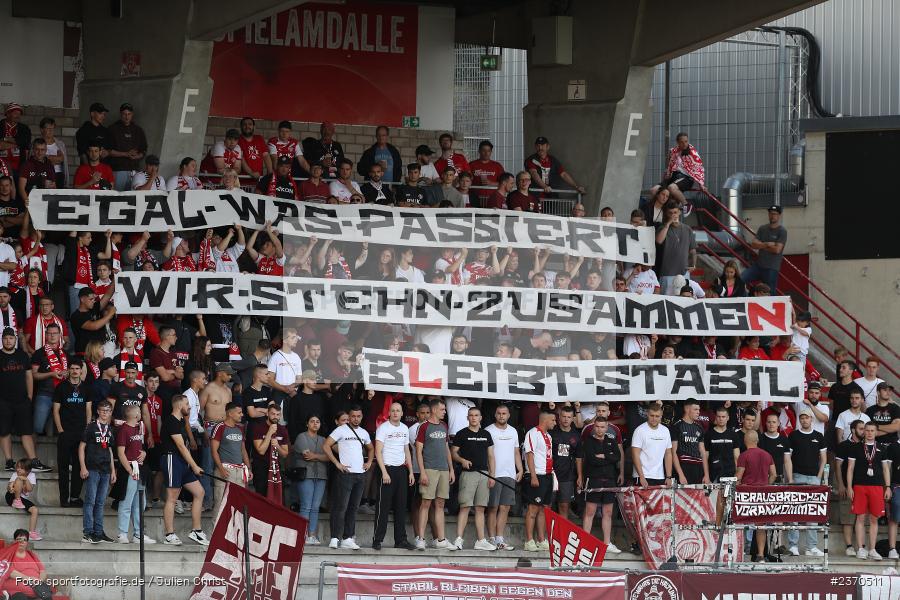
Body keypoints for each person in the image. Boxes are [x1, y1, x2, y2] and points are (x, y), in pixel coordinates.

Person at [160, 394, 209, 546]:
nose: (189, 407)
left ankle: (196, 530)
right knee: (172, 497)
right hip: (171, 459)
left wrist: (190, 465)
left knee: (199, 492)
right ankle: (169, 534)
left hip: (182, 462)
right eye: (187, 404)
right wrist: (194, 465)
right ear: (179, 405)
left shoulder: (181, 421)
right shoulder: (172, 422)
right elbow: (181, 446)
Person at [324, 405, 373, 550]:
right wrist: (337, 463)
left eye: (358, 416)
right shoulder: (341, 429)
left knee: (353, 508)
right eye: (353, 416)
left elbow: (371, 448)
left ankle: (347, 537)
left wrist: (369, 462)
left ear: (361, 417)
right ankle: (334, 537)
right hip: (345, 474)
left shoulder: (364, 432)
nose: (356, 419)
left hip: (360, 475)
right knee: (341, 507)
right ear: (349, 416)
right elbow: (326, 445)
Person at [451, 406, 496, 551]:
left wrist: (492, 475)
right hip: (468, 474)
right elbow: (453, 453)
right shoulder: (461, 433)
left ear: (481, 417)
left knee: (480, 508)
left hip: (484, 474)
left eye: (476, 415)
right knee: (465, 506)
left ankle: (481, 540)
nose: (474, 418)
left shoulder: (486, 434)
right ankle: (458, 539)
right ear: (467, 417)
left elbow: (491, 456)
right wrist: (462, 460)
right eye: (471, 415)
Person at [373, 402, 415, 551]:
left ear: (402, 413)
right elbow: (378, 452)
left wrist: (410, 471)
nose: (396, 413)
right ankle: (377, 540)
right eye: (393, 411)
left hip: (401, 470)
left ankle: (401, 540)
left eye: (398, 410)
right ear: (389, 413)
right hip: (387, 469)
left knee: (401, 507)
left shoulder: (404, 428)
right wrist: (384, 472)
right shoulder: (383, 428)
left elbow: (407, 451)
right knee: (383, 507)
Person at [785, 407, 827, 556]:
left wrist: (819, 476)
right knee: (795, 512)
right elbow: (787, 458)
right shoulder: (793, 436)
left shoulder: (819, 436)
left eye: (807, 417)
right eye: (802, 418)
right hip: (797, 477)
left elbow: (823, 458)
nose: (804, 420)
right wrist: (790, 479)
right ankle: (793, 545)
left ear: (812, 419)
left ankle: (811, 547)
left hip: (813, 478)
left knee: (812, 513)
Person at [846, 422, 892, 560]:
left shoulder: (882, 448)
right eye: (867, 430)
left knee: (874, 518)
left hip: (877, 486)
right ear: (863, 432)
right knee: (860, 517)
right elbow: (850, 468)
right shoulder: (856, 447)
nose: (870, 433)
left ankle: (872, 549)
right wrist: (849, 487)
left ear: (876, 432)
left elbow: (885, 469)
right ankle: (860, 548)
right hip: (859, 485)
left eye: (872, 430)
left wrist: (888, 487)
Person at [415, 398, 455, 550]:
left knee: (440, 504)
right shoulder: (423, 427)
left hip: (443, 469)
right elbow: (418, 451)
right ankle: (421, 538)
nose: (444, 412)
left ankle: (441, 539)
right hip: (430, 469)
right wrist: (423, 472)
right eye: (442, 409)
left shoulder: (444, 426)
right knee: (425, 503)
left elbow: (446, 449)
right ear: (434, 410)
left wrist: (451, 469)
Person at [576, 417, 621, 552]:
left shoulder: (611, 441)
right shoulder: (588, 442)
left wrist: (603, 456)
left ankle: (607, 543)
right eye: (597, 426)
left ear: (607, 428)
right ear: (593, 427)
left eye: (602, 427)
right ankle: (585, 542)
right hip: (593, 479)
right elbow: (592, 460)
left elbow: (617, 457)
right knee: (590, 511)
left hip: (609, 480)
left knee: (608, 512)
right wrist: (608, 457)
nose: (599, 429)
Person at [0, 328, 41, 472]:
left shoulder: (22, 355)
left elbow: (29, 376)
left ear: (15, 339)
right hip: (3, 401)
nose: (8, 341)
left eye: (11, 338)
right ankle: (9, 461)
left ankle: (34, 461)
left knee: (26, 431)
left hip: (22, 400)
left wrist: (29, 396)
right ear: (2, 339)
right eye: (5, 338)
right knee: (4, 432)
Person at [115, 404, 155, 544]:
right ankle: (122, 533)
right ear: (134, 415)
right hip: (130, 469)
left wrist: (144, 453)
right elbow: (121, 453)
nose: (140, 414)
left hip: (140, 469)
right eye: (139, 412)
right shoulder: (123, 430)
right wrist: (129, 470)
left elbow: (140, 447)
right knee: (126, 501)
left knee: (140, 502)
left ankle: (138, 534)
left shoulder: (139, 428)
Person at [485, 405, 522, 551]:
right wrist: (490, 473)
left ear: (508, 415)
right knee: (493, 507)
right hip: (495, 474)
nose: (501, 416)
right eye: (499, 413)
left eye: (504, 413)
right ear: (495, 414)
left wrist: (520, 469)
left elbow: (516, 452)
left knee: (505, 507)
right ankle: (492, 538)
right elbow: (487, 454)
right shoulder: (488, 430)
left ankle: (500, 538)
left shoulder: (513, 431)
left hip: (509, 474)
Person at [79, 399, 116, 544]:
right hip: (92, 468)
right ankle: (87, 532)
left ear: (111, 412)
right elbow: (81, 447)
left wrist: (113, 470)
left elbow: (110, 450)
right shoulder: (91, 427)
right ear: (98, 412)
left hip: (106, 469)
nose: (105, 413)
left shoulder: (110, 429)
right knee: (90, 501)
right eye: (103, 410)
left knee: (100, 503)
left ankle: (99, 532)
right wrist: (83, 466)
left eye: (108, 411)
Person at [736, 430, 776, 561]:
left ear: (745, 441)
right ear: (757, 441)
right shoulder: (767, 455)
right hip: (762, 494)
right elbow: (774, 474)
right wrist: (765, 485)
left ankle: (738, 553)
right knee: (760, 525)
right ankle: (760, 555)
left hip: (747, 494)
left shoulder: (743, 455)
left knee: (740, 522)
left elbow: (738, 477)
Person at [522, 409, 556, 552]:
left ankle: (542, 540)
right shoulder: (532, 433)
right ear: (545, 420)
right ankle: (529, 540)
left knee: (544, 508)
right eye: (553, 420)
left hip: (547, 475)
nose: (555, 423)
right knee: (533, 508)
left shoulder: (549, 436)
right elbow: (530, 454)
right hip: (537, 475)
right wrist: (533, 475)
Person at [209, 402, 251, 514]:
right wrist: (221, 469)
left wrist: (248, 468)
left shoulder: (240, 428)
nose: (242, 415)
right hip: (225, 469)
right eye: (239, 412)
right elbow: (213, 451)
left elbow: (243, 450)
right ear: (230, 413)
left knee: (239, 506)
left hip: (239, 471)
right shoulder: (220, 427)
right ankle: (216, 531)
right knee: (220, 506)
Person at [293, 414, 327, 545]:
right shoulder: (302, 436)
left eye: (317, 422)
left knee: (315, 507)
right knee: (306, 506)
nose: (315, 424)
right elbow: (307, 455)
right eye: (312, 421)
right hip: (306, 475)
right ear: (307, 424)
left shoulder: (324, 439)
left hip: (321, 476)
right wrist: (321, 456)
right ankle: (303, 535)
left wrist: (316, 456)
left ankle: (312, 535)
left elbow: (329, 458)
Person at [835, 419, 866, 557]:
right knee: (847, 518)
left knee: (861, 518)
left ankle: (861, 546)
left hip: (863, 487)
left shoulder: (867, 446)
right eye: (861, 429)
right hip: (848, 486)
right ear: (853, 430)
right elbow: (837, 466)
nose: (863, 431)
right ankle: (849, 546)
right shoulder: (843, 445)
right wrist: (841, 485)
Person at [650, 132, 705, 204]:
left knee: (671, 188)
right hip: (674, 177)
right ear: (678, 142)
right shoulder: (674, 151)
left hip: (686, 179)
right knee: (653, 190)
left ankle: (686, 204)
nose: (684, 144)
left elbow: (699, 169)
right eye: (682, 142)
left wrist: (701, 185)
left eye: (686, 141)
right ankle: (660, 207)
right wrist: (668, 174)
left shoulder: (692, 153)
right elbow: (671, 165)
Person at [742, 205, 787, 294]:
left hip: (771, 268)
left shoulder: (782, 231)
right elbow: (753, 244)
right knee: (741, 278)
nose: (772, 216)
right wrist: (767, 244)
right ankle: (745, 300)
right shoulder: (763, 228)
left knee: (769, 293)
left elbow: (777, 250)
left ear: (779, 215)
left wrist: (761, 245)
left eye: (774, 214)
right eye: (770, 213)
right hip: (758, 265)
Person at [106, 103, 147, 190]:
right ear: (120, 114)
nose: (127, 117)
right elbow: (108, 151)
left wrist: (137, 156)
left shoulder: (138, 130)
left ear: (132, 114)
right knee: (117, 197)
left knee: (132, 199)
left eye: (129, 114)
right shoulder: (113, 129)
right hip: (118, 169)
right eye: (124, 114)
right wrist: (126, 154)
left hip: (135, 171)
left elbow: (144, 150)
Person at [0, 528, 50, 599]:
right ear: (14, 541)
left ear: (27, 543)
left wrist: (39, 582)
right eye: (19, 539)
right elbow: (8, 570)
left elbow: (42, 571)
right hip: (15, 590)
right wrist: (29, 579)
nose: (22, 542)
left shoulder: (32, 555)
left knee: (47, 596)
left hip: (36, 589)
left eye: (24, 540)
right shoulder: (8, 553)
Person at [631, 404, 674, 488]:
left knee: (660, 501)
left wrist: (668, 476)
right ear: (647, 414)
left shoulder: (665, 431)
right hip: (642, 476)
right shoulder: (639, 430)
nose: (654, 419)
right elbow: (635, 454)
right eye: (652, 415)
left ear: (661, 416)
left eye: (657, 416)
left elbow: (668, 454)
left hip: (660, 476)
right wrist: (641, 477)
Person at [550, 405, 580, 520]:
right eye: (563, 416)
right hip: (550, 474)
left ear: (573, 418)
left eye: (569, 417)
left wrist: (580, 476)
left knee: (564, 506)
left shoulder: (576, 436)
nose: (566, 419)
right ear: (559, 417)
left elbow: (579, 457)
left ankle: (561, 535)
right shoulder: (551, 432)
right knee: (547, 506)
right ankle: (546, 536)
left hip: (567, 476)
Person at [670, 399, 709, 484]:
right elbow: (673, 452)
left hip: (698, 468)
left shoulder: (699, 428)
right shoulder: (677, 426)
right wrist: (680, 474)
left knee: (698, 496)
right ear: (687, 409)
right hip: (683, 466)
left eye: (699, 409)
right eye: (695, 409)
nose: (698, 412)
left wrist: (706, 475)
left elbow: (703, 452)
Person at [6, 458, 41, 541]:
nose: (18, 469)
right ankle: (17, 500)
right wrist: (10, 487)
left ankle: (32, 533)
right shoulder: (15, 474)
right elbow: (9, 487)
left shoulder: (31, 475)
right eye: (17, 467)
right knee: (18, 479)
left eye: (21, 468)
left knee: (35, 510)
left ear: (28, 470)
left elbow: (29, 489)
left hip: (22, 499)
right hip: (11, 496)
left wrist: (25, 479)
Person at [705, 407, 740, 482]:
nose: (721, 419)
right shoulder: (708, 434)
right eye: (719, 416)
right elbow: (705, 457)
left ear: (728, 418)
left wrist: (737, 475)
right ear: (716, 417)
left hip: (730, 474)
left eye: (723, 417)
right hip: (713, 475)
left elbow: (736, 457)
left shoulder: (733, 435)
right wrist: (706, 475)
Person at [17, 138, 56, 204]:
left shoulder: (49, 164)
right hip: (29, 200)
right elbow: (21, 188)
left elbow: (54, 186)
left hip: (45, 201)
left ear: (46, 150)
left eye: (42, 150)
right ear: (33, 150)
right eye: (37, 149)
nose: (40, 152)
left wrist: (52, 186)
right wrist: (28, 204)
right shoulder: (27, 164)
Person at [759, 413, 793, 483]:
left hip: (779, 478)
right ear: (766, 423)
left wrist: (790, 479)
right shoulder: (760, 439)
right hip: (762, 478)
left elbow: (787, 461)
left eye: (774, 422)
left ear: (778, 423)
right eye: (769, 422)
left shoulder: (784, 439)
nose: (771, 424)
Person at [0, 103, 32, 177]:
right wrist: (19, 144)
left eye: (19, 114)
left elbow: (27, 144)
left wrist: (5, 139)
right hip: (1, 166)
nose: (18, 116)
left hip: (19, 167)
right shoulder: (0, 126)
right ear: (8, 114)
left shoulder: (24, 129)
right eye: (15, 113)